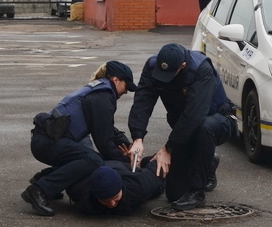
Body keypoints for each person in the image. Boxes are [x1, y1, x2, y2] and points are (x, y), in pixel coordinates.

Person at [128, 43, 236, 211]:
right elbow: (143, 102)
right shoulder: (152, 66)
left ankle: (197, 193)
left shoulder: (200, 69)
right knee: (174, 194)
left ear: (183, 66)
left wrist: (168, 148)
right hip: (185, 129)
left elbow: (194, 116)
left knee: (204, 128)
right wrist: (137, 137)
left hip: (218, 121)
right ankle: (208, 161)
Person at [22, 61, 137, 217]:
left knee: (90, 158)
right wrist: (125, 162)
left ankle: (45, 178)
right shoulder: (103, 96)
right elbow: (104, 143)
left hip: (47, 140)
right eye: (126, 86)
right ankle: (39, 190)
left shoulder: (98, 90)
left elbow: (106, 127)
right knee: (93, 161)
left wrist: (127, 145)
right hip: (47, 143)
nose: (126, 92)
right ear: (116, 80)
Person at [66, 161, 164, 216]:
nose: (112, 203)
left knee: (159, 188)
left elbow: (157, 169)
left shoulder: (140, 186)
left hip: (124, 168)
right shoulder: (78, 192)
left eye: (115, 197)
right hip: (100, 163)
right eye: (105, 200)